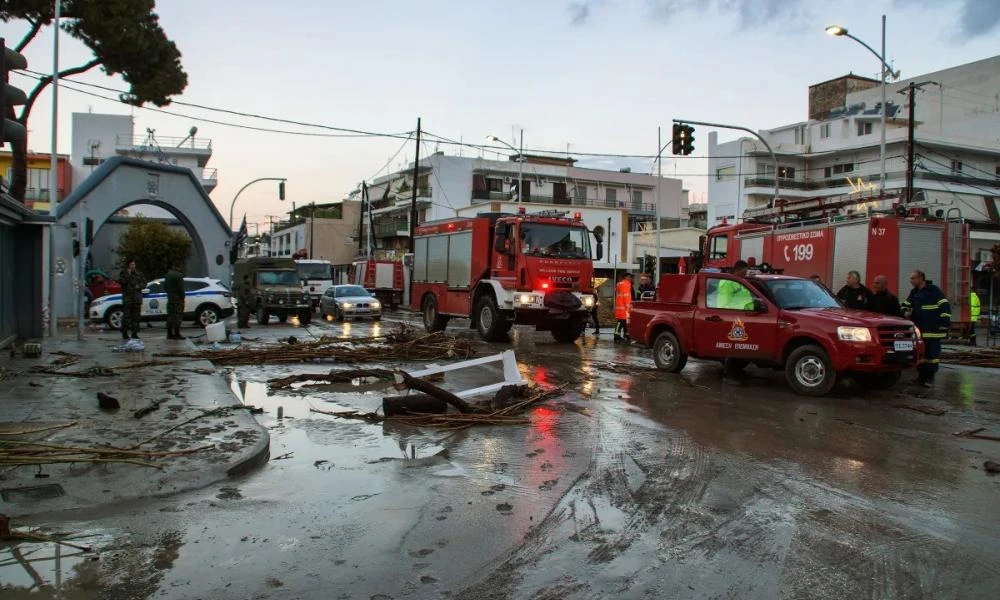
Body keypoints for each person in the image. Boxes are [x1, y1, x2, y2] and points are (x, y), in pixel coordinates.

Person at [901, 270, 951, 387]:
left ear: (921, 279)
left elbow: (945, 307)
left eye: (913, 278)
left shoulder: (933, 290)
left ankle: (930, 378)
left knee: (932, 355)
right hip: (920, 331)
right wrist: (905, 312)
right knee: (920, 354)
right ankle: (921, 377)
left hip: (933, 330)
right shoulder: (914, 292)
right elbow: (905, 305)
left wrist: (943, 323)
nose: (911, 281)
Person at [118, 259, 144, 340]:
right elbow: (122, 282)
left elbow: (144, 283)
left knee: (136, 317)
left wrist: (139, 286)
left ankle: (134, 333)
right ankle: (124, 333)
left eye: (134, 264)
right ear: (128, 265)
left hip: (136, 298)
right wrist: (128, 275)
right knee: (126, 317)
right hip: (128, 298)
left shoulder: (139, 273)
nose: (133, 266)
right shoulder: (124, 273)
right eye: (131, 264)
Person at [164, 263, 185, 340]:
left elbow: (165, 287)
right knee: (178, 316)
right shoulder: (179, 275)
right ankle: (177, 333)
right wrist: (182, 297)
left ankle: (169, 334)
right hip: (178, 299)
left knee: (170, 316)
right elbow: (181, 288)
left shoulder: (167, 275)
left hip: (170, 299)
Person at [614, 273, 633, 342]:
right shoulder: (626, 284)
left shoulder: (620, 284)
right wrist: (629, 308)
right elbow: (626, 297)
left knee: (622, 322)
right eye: (630, 277)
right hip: (624, 308)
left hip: (620, 308)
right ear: (626, 277)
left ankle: (621, 336)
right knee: (623, 322)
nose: (631, 279)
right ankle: (619, 336)